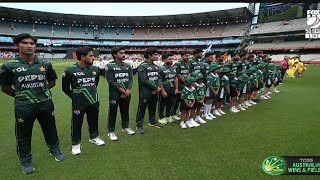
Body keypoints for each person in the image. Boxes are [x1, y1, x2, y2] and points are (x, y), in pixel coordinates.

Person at [0, 33, 65, 174]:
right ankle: (26, 159)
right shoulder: (9, 66)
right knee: (23, 134)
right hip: (24, 106)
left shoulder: (45, 63)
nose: (29, 45)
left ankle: (55, 150)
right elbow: (4, 87)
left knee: (50, 128)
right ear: (17, 46)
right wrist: (22, 96)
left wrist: (40, 91)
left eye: (32, 43)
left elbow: (52, 81)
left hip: (46, 103)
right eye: (25, 43)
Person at [62, 46, 105, 154]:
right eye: (90, 56)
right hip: (79, 102)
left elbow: (96, 84)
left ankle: (94, 137)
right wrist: (76, 96)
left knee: (94, 119)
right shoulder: (70, 70)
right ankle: (76, 143)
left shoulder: (95, 69)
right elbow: (65, 88)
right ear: (82, 57)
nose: (93, 58)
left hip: (93, 100)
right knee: (77, 122)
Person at [105, 46, 135, 141]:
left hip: (127, 93)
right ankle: (111, 131)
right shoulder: (109, 66)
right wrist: (122, 90)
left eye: (124, 53)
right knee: (113, 112)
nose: (123, 54)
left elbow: (130, 79)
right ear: (114, 54)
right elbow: (110, 80)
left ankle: (125, 127)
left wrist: (128, 90)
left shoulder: (127, 65)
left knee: (125, 110)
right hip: (115, 94)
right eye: (121, 53)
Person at [136, 47, 164, 134]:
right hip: (145, 91)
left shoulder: (156, 66)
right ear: (149, 55)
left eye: (158, 54)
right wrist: (155, 87)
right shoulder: (142, 66)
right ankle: (139, 125)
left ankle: (152, 121)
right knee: (142, 107)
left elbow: (159, 78)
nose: (158, 56)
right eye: (155, 54)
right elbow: (144, 80)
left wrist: (158, 86)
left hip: (155, 91)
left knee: (153, 106)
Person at [158, 52, 178, 125]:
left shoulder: (173, 68)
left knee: (170, 103)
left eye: (172, 59)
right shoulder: (161, 68)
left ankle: (167, 116)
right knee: (162, 103)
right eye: (169, 59)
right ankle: (161, 117)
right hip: (165, 89)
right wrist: (162, 91)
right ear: (164, 60)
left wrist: (176, 88)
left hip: (172, 89)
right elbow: (159, 80)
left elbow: (175, 78)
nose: (171, 60)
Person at [172, 50, 191, 121]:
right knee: (176, 100)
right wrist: (185, 82)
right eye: (186, 56)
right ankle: (173, 113)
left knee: (183, 99)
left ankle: (180, 111)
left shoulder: (188, 64)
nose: (188, 57)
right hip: (179, 85)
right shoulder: (178, 64)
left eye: (189, 56)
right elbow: (178, 75)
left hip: (186, 84)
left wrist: (188, 81)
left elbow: (189, 73)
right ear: (182, 56)